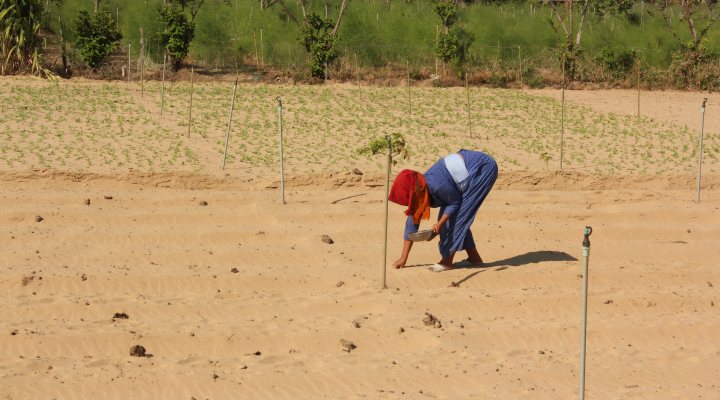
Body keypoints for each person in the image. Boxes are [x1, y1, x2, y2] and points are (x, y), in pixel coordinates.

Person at [388, 149, 498, 272]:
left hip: (482, 167)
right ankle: (474, 258)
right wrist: (403, 258)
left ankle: (447, 261)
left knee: (454, 218)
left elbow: (455, 202)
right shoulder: (420, 189)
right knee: (452, 217)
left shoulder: (436, 185)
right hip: (467, 170)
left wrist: (440, 224)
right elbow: (411, 224)